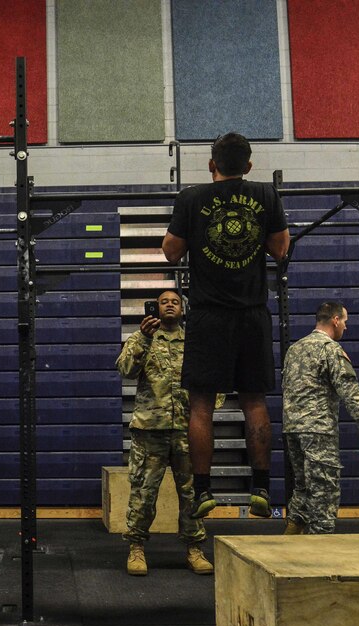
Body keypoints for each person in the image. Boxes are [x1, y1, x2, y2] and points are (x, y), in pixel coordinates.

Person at [161, 132, 289, 519]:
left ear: (211, 164)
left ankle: (203, 491)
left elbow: (170, 252)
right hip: (251, 313)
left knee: (201, 405)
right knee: (254, 401)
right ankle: (261, 487)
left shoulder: (192, 197)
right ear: (248, 166)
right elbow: (281, 249)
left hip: (208, 315)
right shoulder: (265, 195)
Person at [116, 290, 214, 576]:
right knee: (143, 493)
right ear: (155, 308)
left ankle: (195, 549)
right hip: (150, 431)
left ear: (183, 310)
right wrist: (145, 339)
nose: (170, 305)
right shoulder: (141, 338)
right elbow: (125, 369)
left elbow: (211, 380)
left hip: (188, 430)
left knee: (192, 493)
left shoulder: (194, 342)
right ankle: (136, 547)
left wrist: (205, 414)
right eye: (164, 302)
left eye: (175, 302)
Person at [281, 302, 359, 534]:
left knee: (302, 489)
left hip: (292, 430)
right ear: (335, 320)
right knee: (324, 497)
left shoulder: (295, 349)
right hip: (318, 431)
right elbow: (350, 390)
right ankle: (318, 561)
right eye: (344, 321)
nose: (345, 327)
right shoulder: (330, 349)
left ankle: (286, 549)